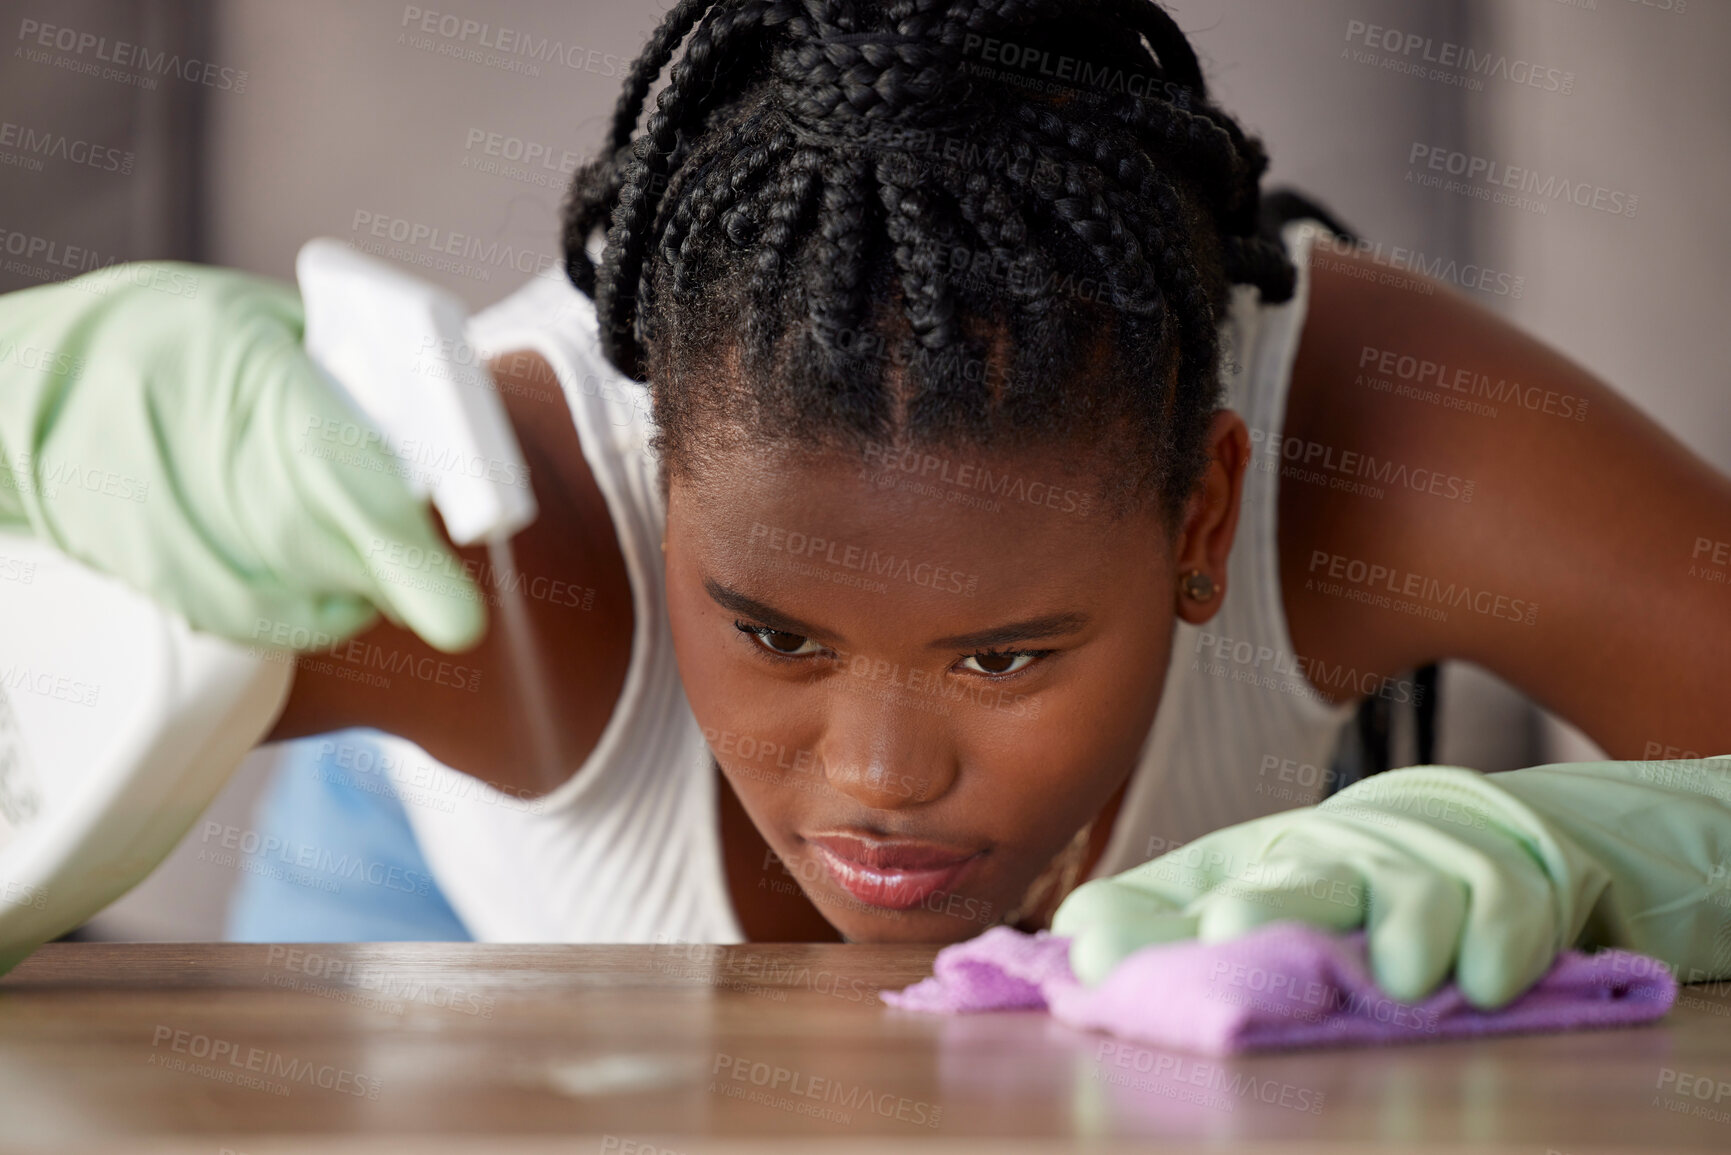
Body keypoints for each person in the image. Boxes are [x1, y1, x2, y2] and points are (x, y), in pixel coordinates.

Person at [3, 0, 1728, 1008]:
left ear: (1208, 519)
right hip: (434, 888)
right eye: (770, 630)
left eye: (1005, 656)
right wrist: (28, 413)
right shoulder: (483, 555)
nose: (880, 783)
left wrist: (1591, 854)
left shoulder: (1381, 452)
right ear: (655, 483)